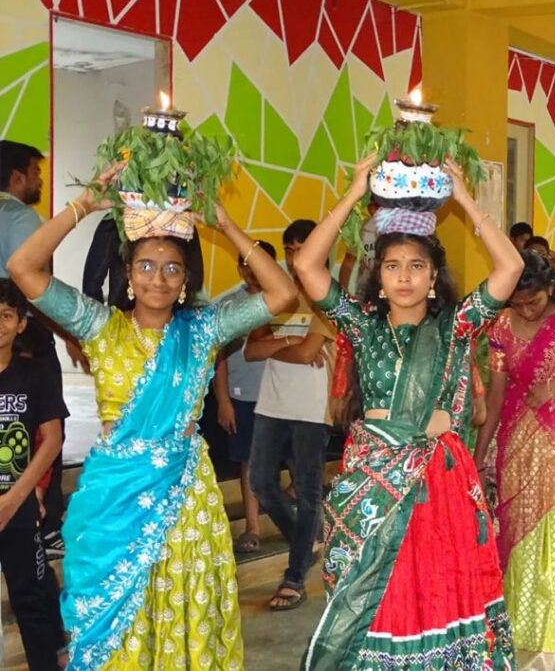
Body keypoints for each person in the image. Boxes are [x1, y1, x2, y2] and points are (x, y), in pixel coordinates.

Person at [7, 165, 297, 669]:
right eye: (145, 266)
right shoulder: (99, 326)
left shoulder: (203, 329)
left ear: (186, 280)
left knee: (184, 604)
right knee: (120, 617)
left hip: (184, 496)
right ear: (127, 274)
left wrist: (224, 223)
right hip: (114, 500)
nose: (157, 278)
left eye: (171, 268)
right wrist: (87, 204)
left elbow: (282, 294)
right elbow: (23, 268)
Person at [295, 156, 522, 669]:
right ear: (379, 278)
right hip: (375, 481)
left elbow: (510, 268)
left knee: (437, 584)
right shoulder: (361, 327)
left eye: (416, 266)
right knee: (377, 592)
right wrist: (355, 193)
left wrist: (466, 199)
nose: (404, 277)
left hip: (437, 486)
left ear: (433, 276)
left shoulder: (455, 327)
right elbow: (308, 267)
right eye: (393, 266)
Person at [474, 250, 555, 669]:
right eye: (517, 303)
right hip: (517, 442)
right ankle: (523, 635)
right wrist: (479, 456)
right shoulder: (501, 327)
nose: (526, 310)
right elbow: (496, 394)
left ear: (550, 288)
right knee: (521, 537)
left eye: (534, 301)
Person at [244, 219, 337, 611]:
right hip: (272, 403)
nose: (295, 255)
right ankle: (307, 538)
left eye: (303, 247)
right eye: (290, 248)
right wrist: (291, 341)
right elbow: (251, 350)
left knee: (310, 489)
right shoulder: (278, 295)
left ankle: (295, 575)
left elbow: (305, 354)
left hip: (313, 409)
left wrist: (281, 345)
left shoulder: (328, 297)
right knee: (263, 483)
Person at [0, 139, 81, 557]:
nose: (39, 181)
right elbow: (39, 291)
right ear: (16, 177)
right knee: (44, 427)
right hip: (25, 337)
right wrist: (71, 335)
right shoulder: (21, 217)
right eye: (35, 173)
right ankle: (45, 527)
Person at [0, 278, 68, 670]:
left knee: (32, 605)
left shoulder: (35, 375)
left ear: (21, 323)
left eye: (7, 315)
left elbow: (52, 440)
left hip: (20, 510)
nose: (0, 323)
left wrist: (17, 498)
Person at [213, 240, 277, 554]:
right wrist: (224, 400)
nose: (253, 270)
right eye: (247, 263)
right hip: (245, 396)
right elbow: (218, 357)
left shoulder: (288, 300)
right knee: (249, 462)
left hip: (284, 396)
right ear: (240, 268)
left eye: (261, 262)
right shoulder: (227, 307)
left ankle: (290, 518)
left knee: (289, 458)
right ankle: (252, 528)